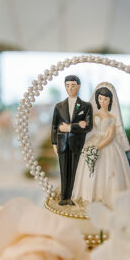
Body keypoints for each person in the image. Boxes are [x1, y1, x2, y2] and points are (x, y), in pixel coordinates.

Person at [72, 82, 130, 206]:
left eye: (105, 99)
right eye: (100, 98)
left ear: (110, 100)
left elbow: (110, 136)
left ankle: (105, 197)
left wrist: (97, 147)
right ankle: (87, 195)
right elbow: (87, 128)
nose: (102, 101)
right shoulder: (93, 114)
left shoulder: (112, 118)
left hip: (107, 145)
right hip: (93, 140)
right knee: (88, 168)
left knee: (107, 170)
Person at [51, 75, 93, 205]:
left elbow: (88, 126)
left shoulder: (86, 106)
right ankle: (64, 197)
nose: (70, 88)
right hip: (62, 143)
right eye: (67, 85)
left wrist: (70, 127)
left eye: (73, 85)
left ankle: (74, 196)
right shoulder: (59, 106)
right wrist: (54, 142)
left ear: (78, 87)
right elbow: (54, 126)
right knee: (64, 170)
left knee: (76, 171)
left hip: (77, 143)